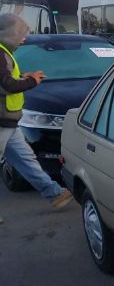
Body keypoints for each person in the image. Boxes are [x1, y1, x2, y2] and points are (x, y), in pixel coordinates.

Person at [0, 13, 73, 224]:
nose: (24, 39)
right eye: (20, 34)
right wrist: (31, 82)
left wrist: (24, 77)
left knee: (26, 160)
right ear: (9, 34)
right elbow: (7, 85)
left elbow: (6, 80)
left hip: (9, 122)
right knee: (26, 160)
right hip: (2, 121)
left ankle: (55, 194)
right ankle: (55, 193)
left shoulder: (5, 53)